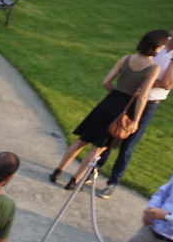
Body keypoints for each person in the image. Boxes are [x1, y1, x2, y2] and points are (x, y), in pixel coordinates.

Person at [50, 30, 167, 190]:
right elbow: (142, 96)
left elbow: (106, 82)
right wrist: (136, 120)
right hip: (124, 109)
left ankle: (57, 171)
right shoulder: (153, 68)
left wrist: (116, 94)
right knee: (97, 148)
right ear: (158, 47)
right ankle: (74, 181)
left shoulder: (126, 58)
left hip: (108, 102)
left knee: (81, 140)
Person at [99, 24, 173, 198]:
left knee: (128, 145)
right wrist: (157, 81)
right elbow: (146, 72)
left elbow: (167, 82)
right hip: (130, 97)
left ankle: (113, 182)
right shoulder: (158, 42)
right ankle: (94, 169)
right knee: (111, 134)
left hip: (150, 102)